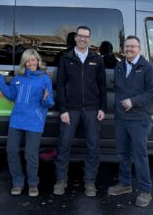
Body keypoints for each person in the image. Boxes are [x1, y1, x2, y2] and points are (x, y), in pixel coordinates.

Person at [53, 26, 107, 197]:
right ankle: (61, 180)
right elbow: (60, 85)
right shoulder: (66, 58)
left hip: (92, 110)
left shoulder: (97, 58)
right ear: (75, 38)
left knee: (93, 147)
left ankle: (90, 181)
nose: (83, 39)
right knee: (64, 145)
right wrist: (63, 109)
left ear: (89, 39)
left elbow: (102, 85)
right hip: (71, 110)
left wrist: (102, 108)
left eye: (86, 36)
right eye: (80, 36)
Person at [0, 49, 54, 197]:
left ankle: (33, 184)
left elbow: (49, 103)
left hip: (34, 121)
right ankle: (18, 182)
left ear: (38, 61)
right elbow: (11, 95)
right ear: (24, 63)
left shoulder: (45, 79)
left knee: (30, 154)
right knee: (12, 151)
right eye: (28, 60)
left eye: (34, 60)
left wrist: (46, 99)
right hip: (17, 120)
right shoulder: (19, 78)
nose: (31, 63)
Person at [108, 36, 153, 208]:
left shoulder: (149, 68)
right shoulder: (119, 65)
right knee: (123, 154)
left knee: (139, 156)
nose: (129, 49)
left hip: (139, 119)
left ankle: (145, 190)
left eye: (133, 46)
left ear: (139, 48)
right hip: (121, 119)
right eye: (127, 46)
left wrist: (134, 102)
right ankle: (124, 184)